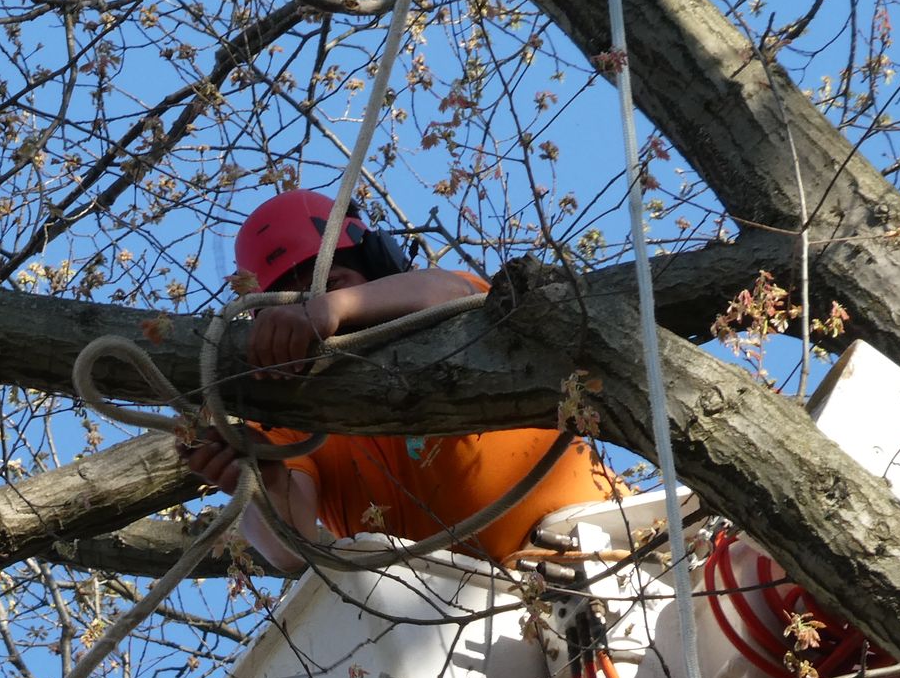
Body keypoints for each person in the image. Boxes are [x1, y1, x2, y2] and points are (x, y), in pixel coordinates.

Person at [182, 189, 618, 571]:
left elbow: (452, 291)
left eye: (332, 281)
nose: (310, 306)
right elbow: (288, 551)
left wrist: (333, 308)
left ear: (377, 265)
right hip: (451, 622)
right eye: (290, 304)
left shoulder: (442, 317)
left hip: (605, 547)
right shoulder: (291, 420)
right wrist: (264, 485)